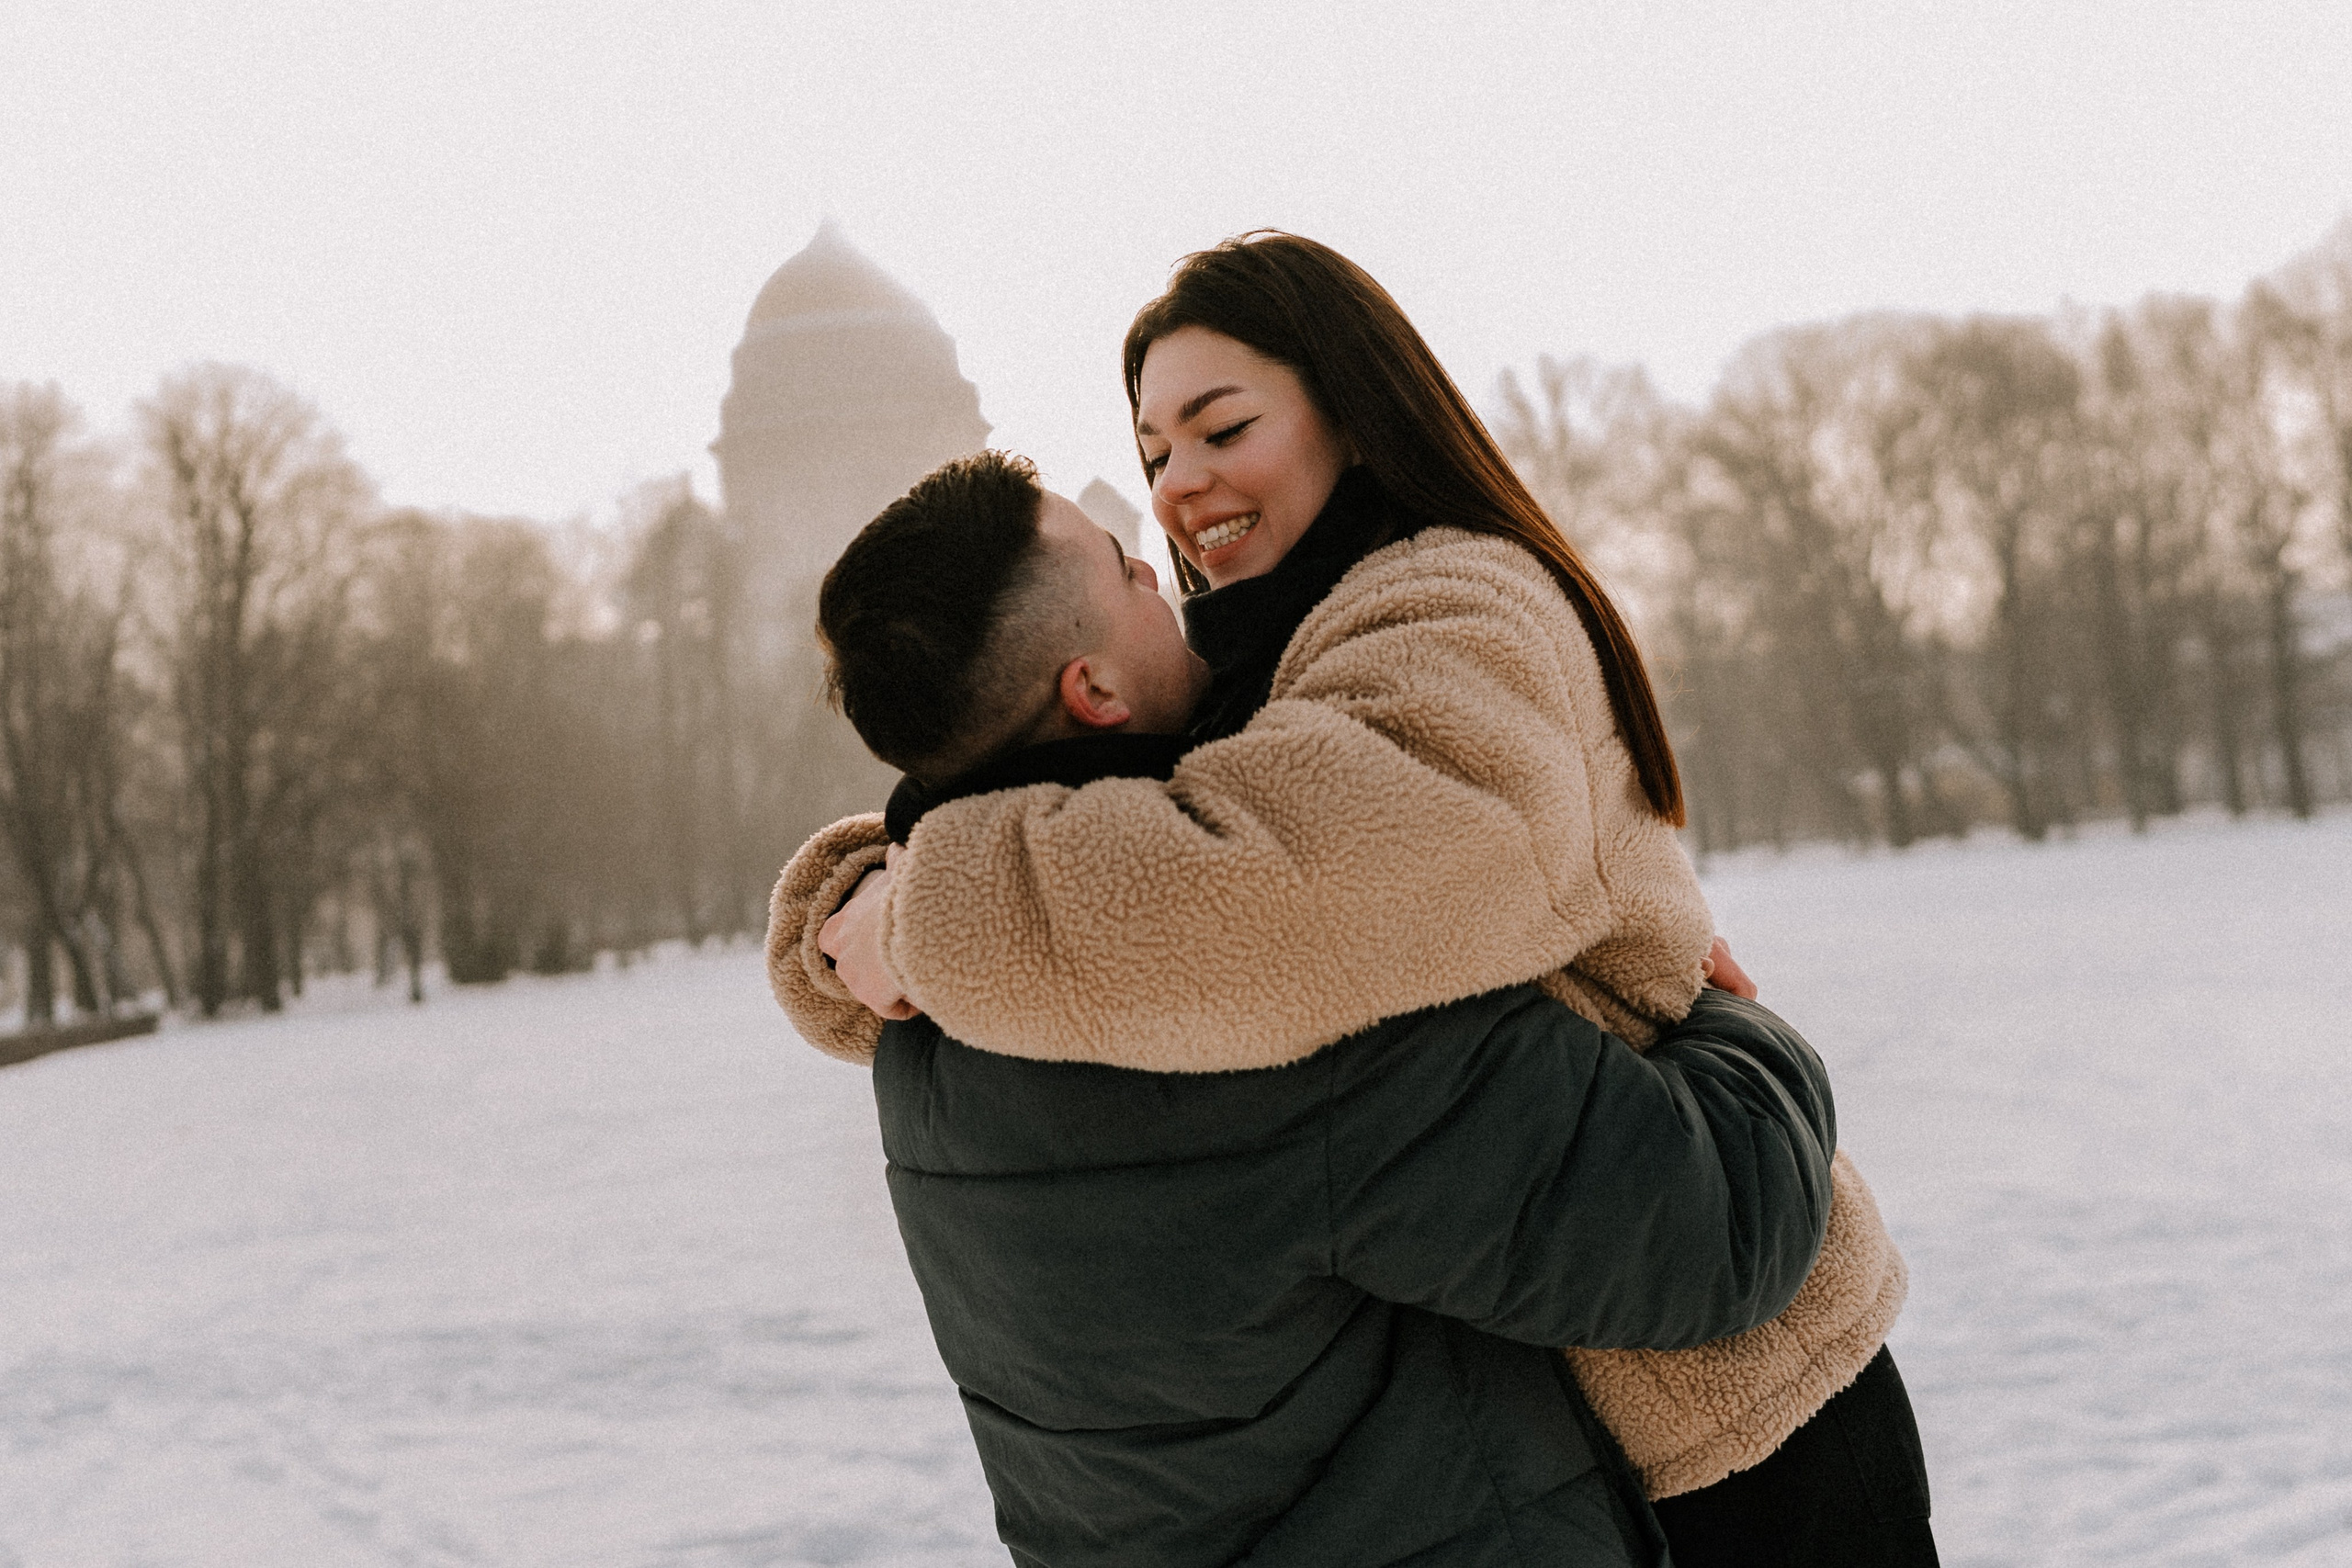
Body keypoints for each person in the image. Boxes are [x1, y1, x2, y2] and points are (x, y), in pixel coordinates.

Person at [782, 233, 1935, 1564]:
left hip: (1730, 1411)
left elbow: (1257, 900)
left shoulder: (1451, 611)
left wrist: (914, 918)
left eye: (1222, 428)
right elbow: (1041, 782)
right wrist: (856, 905)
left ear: (1354, 406)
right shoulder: (1245, 656)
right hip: (1562, 1395)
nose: (1178, 492)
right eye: (1155, 453)